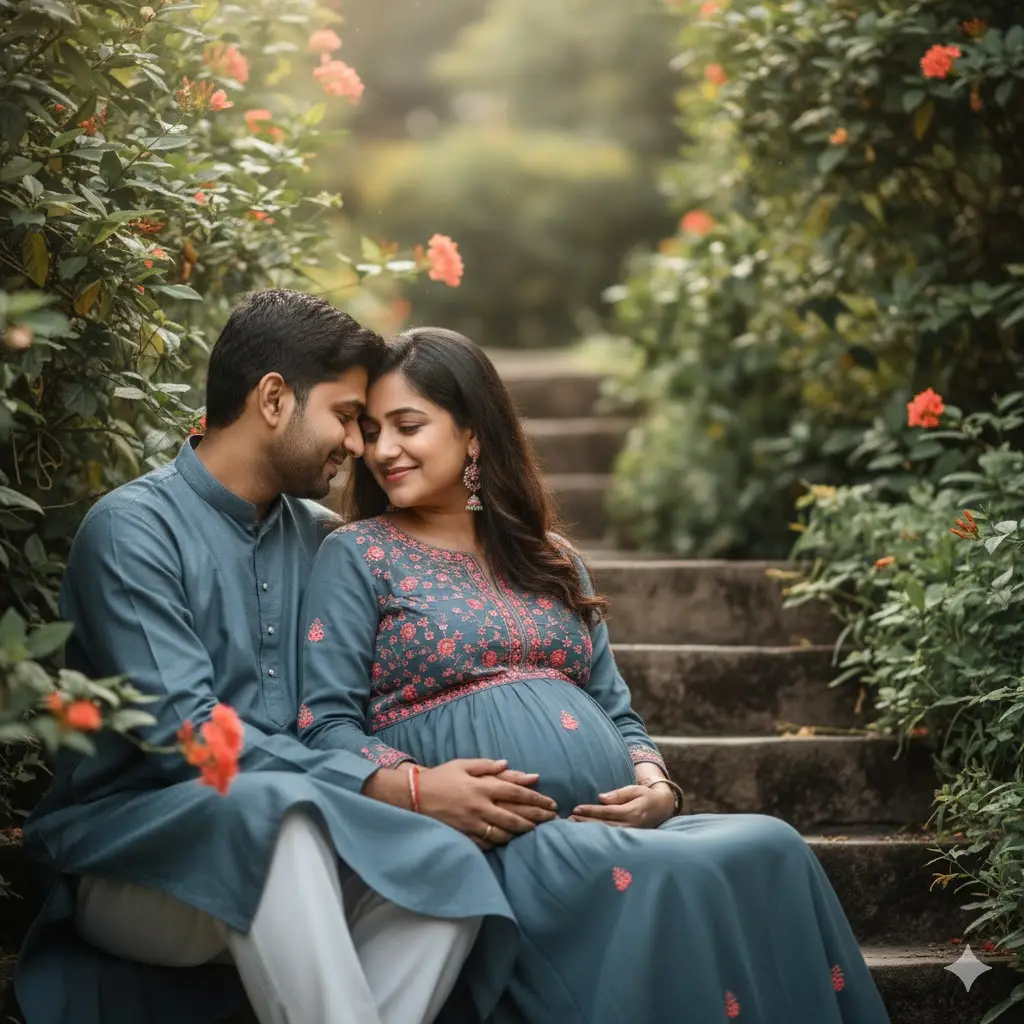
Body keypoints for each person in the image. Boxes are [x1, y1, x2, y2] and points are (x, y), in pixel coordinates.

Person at [296, 327, 892, 1024]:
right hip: (503, 847)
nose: (383, 449)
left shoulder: (551, 558)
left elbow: (617, 710)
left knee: (775, 845)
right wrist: (424, 789)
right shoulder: (358, 555)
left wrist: (657, 789)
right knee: (683, 876)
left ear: (474, 435)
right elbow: (323, 726)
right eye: (371, 431)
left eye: (408, 425)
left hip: (620, 832)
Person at [13, 293, 549, 1024]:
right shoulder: (134, 532)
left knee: (445, 868)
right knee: (278, 817)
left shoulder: (332, 543)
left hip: (311, 833)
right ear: (272, 399)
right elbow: (192, 741)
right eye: (346, 417)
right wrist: (399, 788)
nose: (360, 446)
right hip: (136, 856)